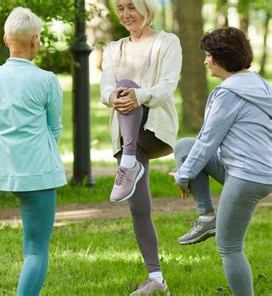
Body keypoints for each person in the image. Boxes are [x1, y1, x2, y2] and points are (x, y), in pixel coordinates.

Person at [172, 27, 271, 296]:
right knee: (184, 146)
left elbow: (208, 141)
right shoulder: (264, 86)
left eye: (208, 55)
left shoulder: (228, 93)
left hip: (246, 177)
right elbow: (199, 145)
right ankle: (206, 216)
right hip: (262, 174)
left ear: (221, 58)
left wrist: (182, 176)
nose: (205, 61)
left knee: (229, 247)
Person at [0, 7, 66, 296]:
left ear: (5, 39)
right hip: (37, 171)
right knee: (36, 251)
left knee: (33, 247)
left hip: (1, 168)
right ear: (36, 40)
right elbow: (55, 129)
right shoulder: (47, 80)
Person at [100, 0, 182, 294]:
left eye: (131, 7)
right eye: (120, 8)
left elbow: (167, 86)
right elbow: (105, 87)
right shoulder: (113, 48)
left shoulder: (167, 42)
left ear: (147, 8)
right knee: (139, 207)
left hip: (156, 127)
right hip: (126, 133)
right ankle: (157, 279)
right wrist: (114, 98)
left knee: (125, 83)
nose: (125, 14)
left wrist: (138, 94)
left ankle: (129, 162)